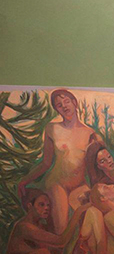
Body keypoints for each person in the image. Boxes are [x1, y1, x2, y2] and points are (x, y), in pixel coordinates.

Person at [17, 89, 97, 233]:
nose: (64, 106)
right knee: (61, 228)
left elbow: (94, 167)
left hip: (79, 185)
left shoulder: (90, 133)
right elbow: (46, 163)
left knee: (89, 225)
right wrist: (25, 180)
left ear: (74, 103)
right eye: (59, 105)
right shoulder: (52, 128)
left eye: (67, 101)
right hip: (57, 183)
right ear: (57, 110)